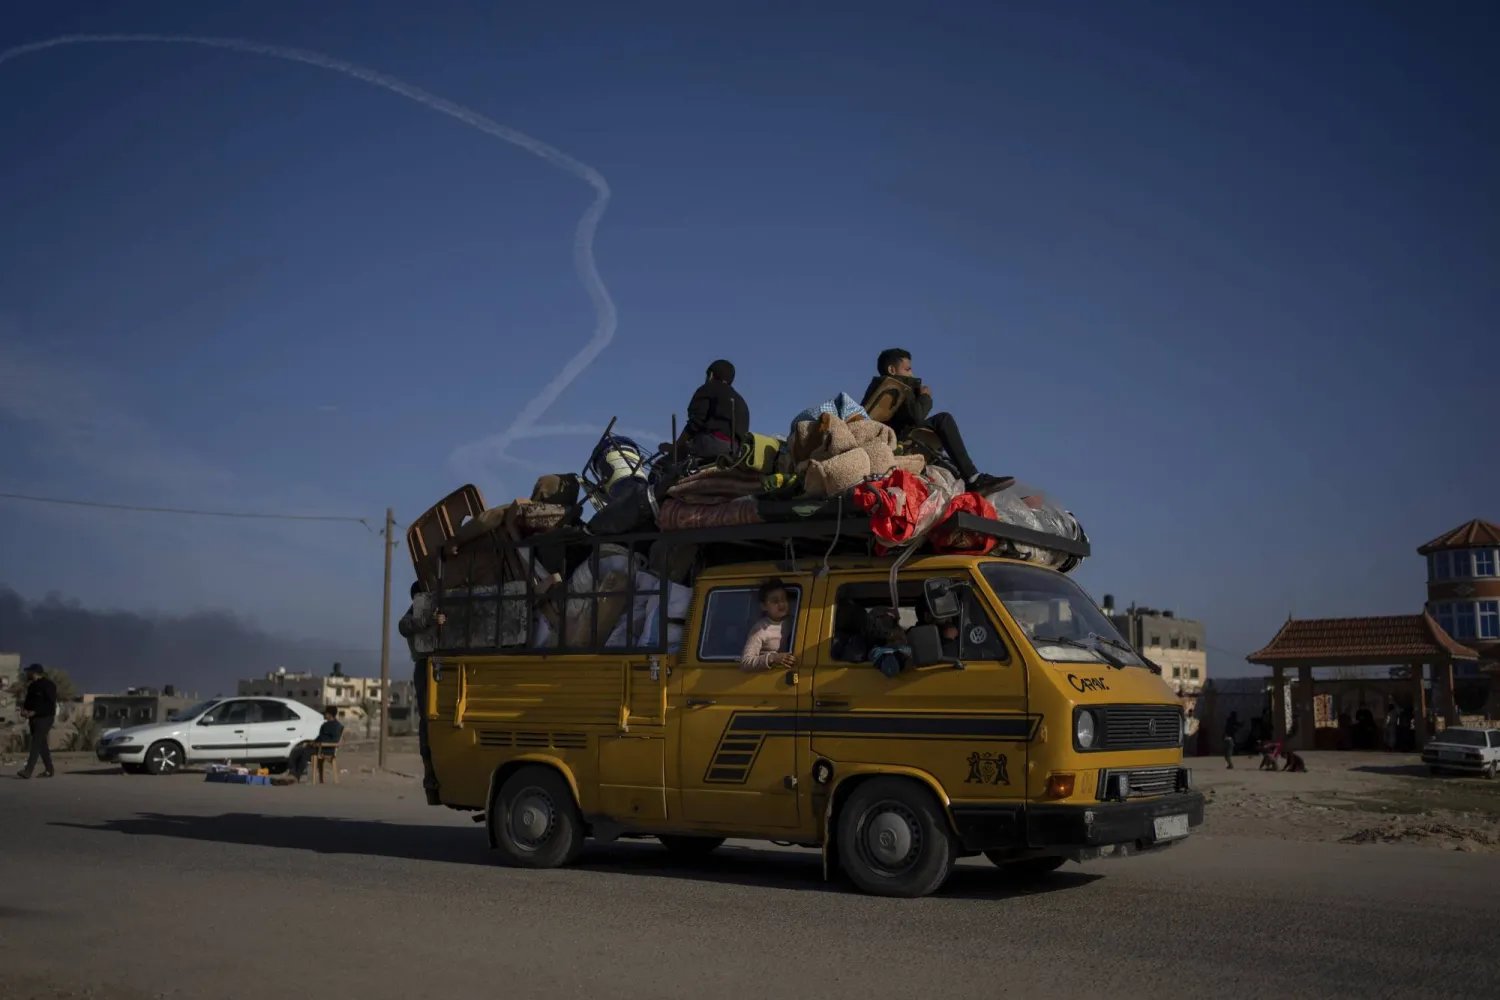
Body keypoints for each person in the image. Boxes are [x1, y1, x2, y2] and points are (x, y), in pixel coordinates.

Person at [860, 348, 1011, 495]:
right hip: (900, 440)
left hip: (892, 440)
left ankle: (967, 483)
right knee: (943, 420)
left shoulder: (879, 389)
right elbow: (916, 415)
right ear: (892, 370)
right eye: (907, 369)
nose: (911, 374)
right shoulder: (897, 386)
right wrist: (925, 396)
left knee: (946, 463)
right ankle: (973, 478)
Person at [398, 582, 447, 803]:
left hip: (443, 662)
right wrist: (428, 621)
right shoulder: (416, 611)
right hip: (425, 664)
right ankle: (430, 769)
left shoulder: (440, 605)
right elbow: (403, 626)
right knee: (428, 715)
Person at [676, 359, 751, 463]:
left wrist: (676, 445)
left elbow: (696, 422)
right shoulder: (741, 401)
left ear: (711, 375)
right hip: (735, 451)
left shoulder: (708, 388)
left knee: (676, 457)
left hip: (711, 445)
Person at [739, 579, 797, 672]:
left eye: (784, 599)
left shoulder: (792, 620)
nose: (781, 604)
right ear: (764, 606)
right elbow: (745, 662)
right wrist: (772, 658)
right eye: (775, 601)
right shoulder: (760, 630)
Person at [16, 663, 57, 780]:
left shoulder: (49, 685)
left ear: (34, 672)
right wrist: (24, 710)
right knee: (41, 744)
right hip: (33, 719)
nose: (27, 674)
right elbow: (28, 702)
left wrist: (36, 712)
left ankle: (28, 770)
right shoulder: (32, 686)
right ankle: (49, 769)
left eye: (29, 672)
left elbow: (50, 703)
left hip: (45, 718)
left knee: (35, 743)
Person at [289, 706, 345, 780]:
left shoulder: (337, 726)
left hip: (326, 750)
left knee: (304, 753)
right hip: (317, 747)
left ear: (330, 714)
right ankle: (293, 773)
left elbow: (335, 741)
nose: (324, 715)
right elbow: (319, 737)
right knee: (296, 750)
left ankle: (297, 775)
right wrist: (310, 742)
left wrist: (318, 744)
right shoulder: (324, 725)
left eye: (326, 714)